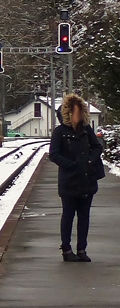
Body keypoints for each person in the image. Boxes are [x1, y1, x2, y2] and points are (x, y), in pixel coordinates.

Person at [48, 93, 105, 261]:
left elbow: (97, 147)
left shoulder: (87, 130)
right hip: (69, 181)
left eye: (81, 113)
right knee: (68, 215)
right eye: (75, 112)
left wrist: (90, 160)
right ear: (68, 113)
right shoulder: (60, 132)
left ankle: (82, 249)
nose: (78, 116)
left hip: (87, 179)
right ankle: (66, 249)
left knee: (84, 216)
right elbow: (54, 154)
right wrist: (71, 165)